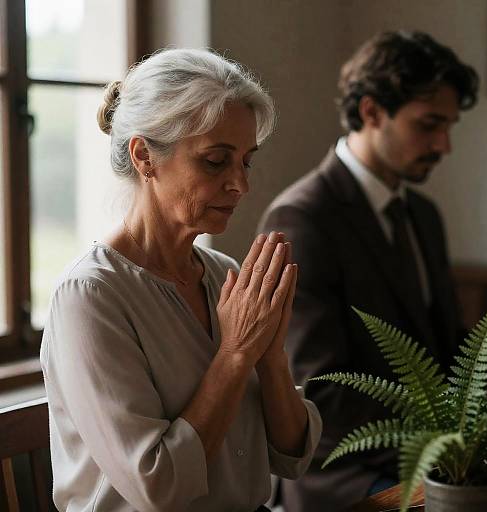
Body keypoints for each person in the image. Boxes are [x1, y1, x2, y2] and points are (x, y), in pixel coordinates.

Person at [40, 48, 322, 512]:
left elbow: (293, 457)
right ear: (145, 157)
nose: (240, 185)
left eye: (246, 161)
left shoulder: (226, 275)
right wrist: (234, 354)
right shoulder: (90, 297)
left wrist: (269, 357)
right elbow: (158, 487)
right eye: (216, 161)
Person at [258, 31, 479, 511]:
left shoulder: (423, 215)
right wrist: (444, 448)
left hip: (430, 458)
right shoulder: (301, 218)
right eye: (429, 124)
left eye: (450, 126)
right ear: (371, 112)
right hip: (341, 473)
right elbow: (320, 390)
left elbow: (453, 351)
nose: (444, 144)